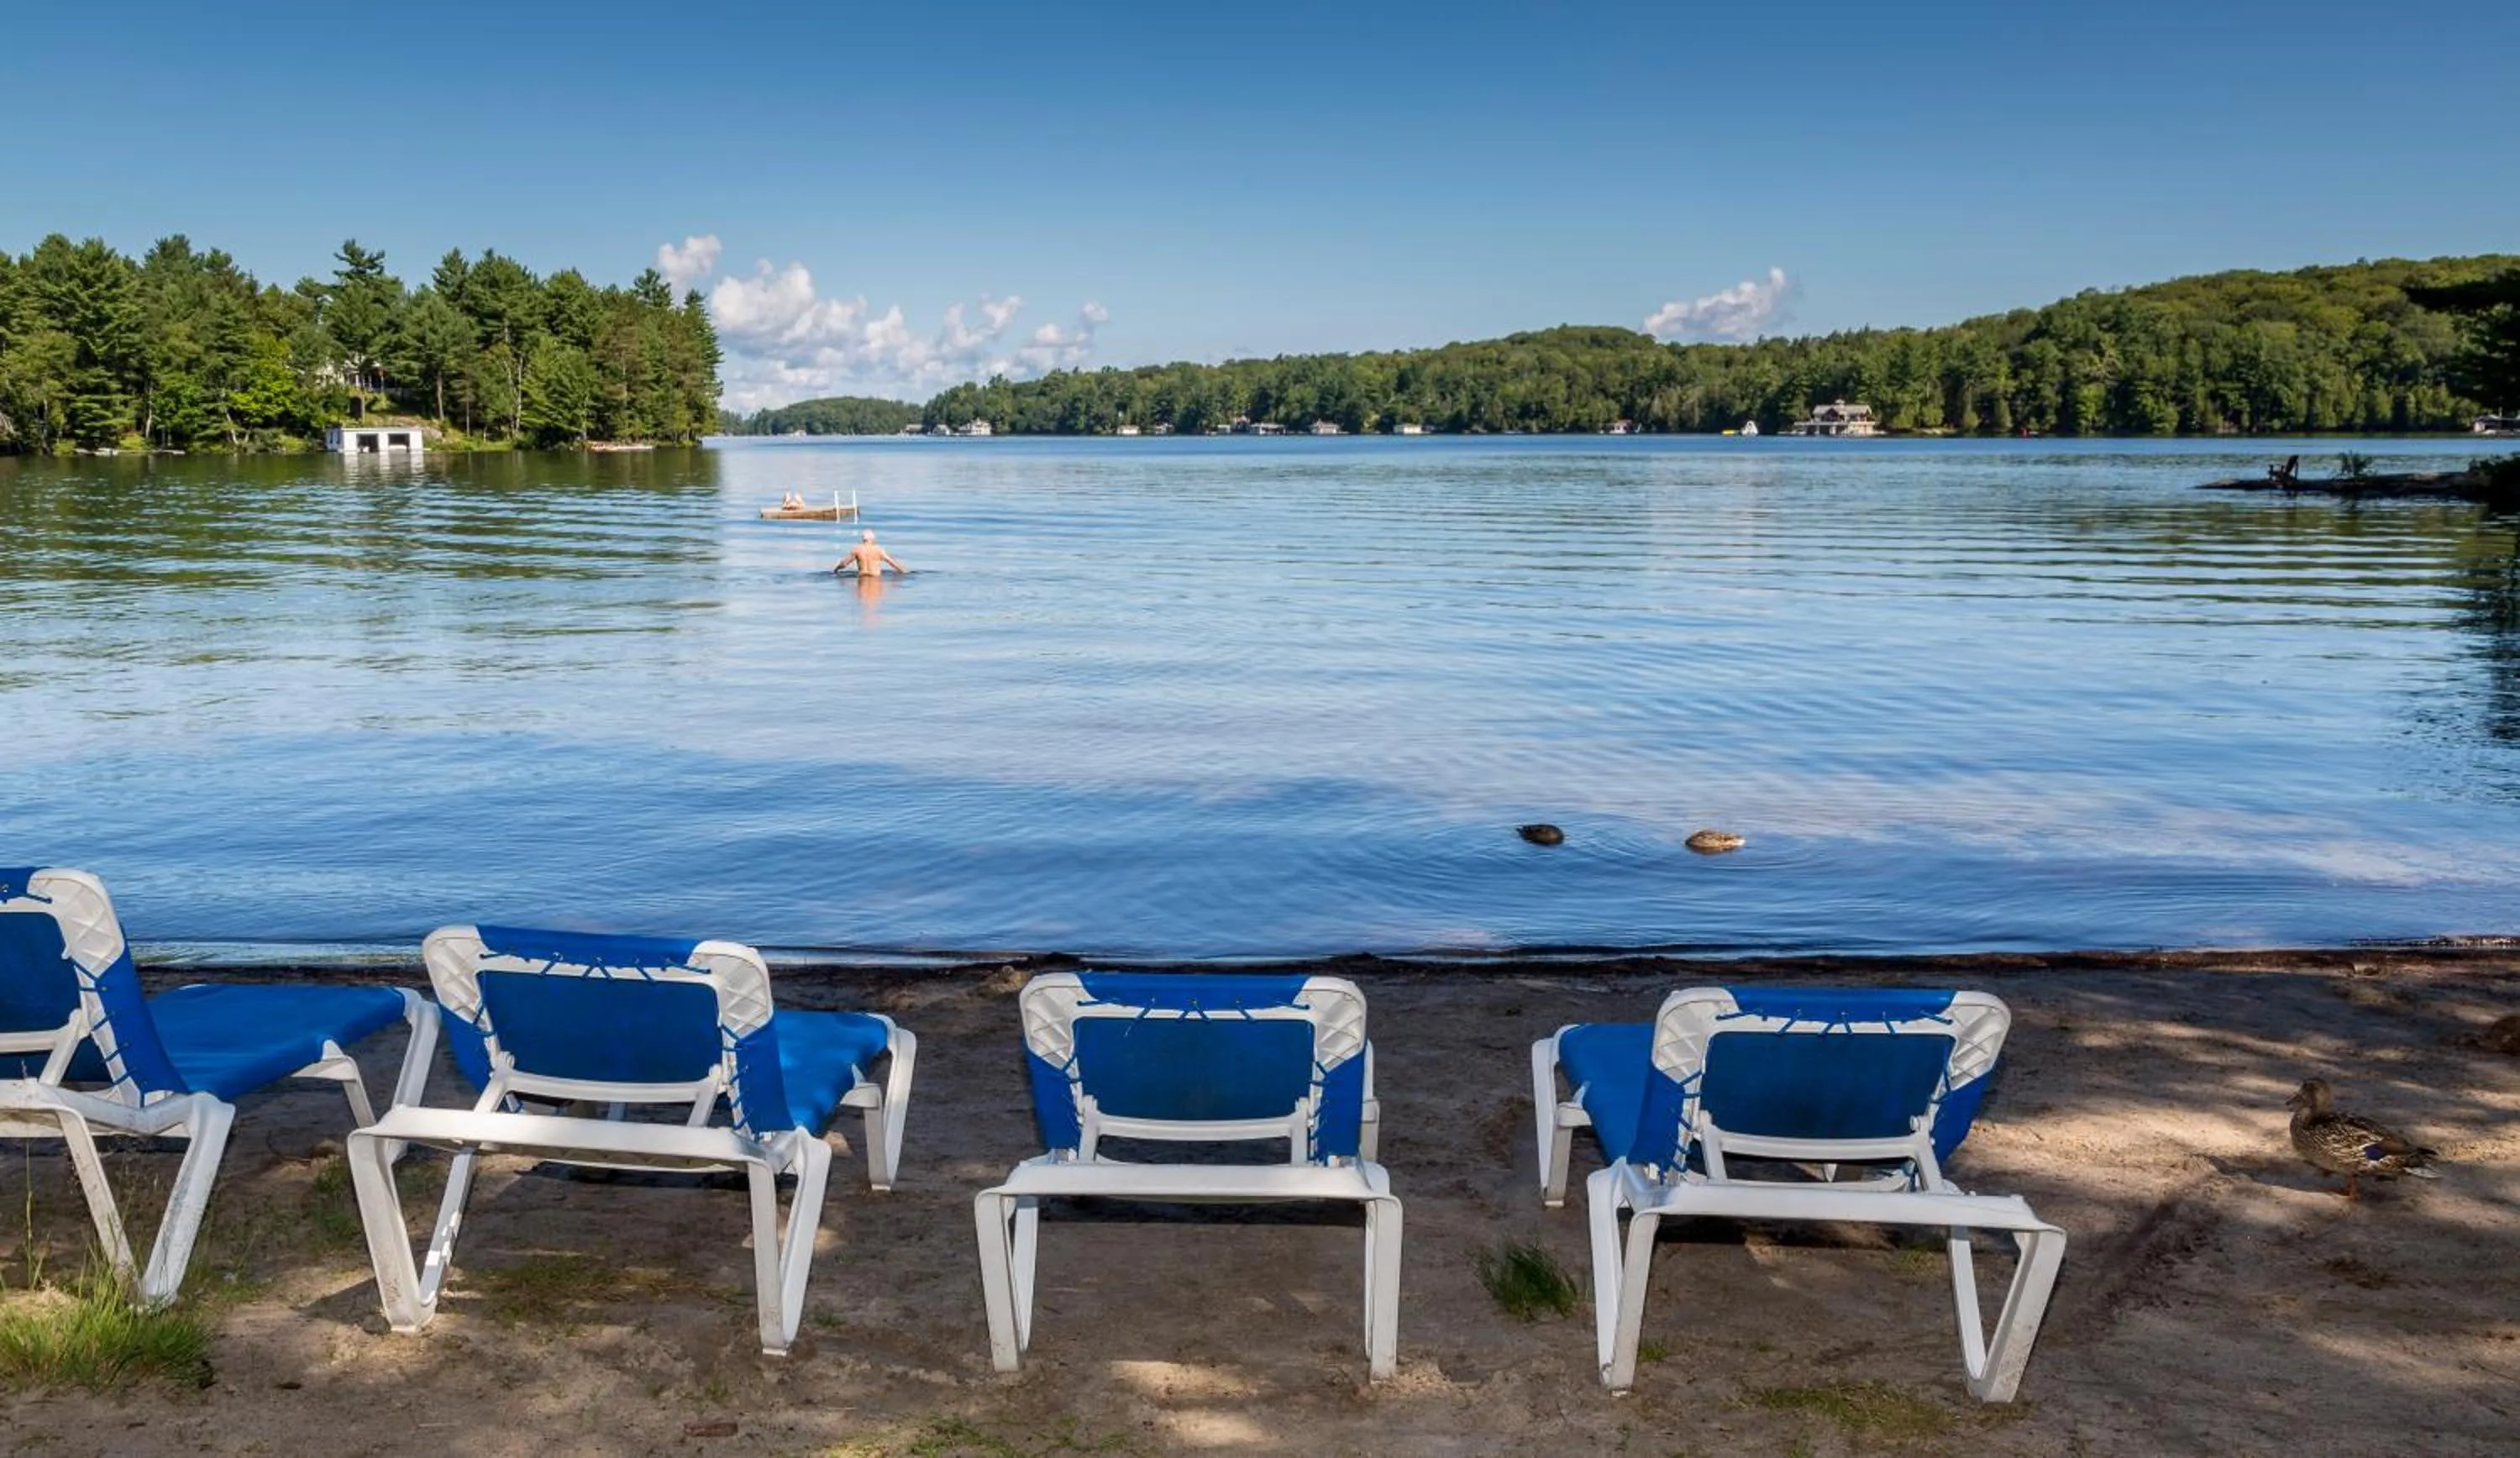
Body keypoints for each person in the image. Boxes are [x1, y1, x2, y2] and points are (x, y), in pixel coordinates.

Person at [835, 529, 907, 577]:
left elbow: (844, 564)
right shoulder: (878, 550)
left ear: (863, 539)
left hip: (862, 577)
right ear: (872, 539)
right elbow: (892, 563)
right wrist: (903, 571)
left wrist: (836, 569)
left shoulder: (857, 550)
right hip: (875, 577)